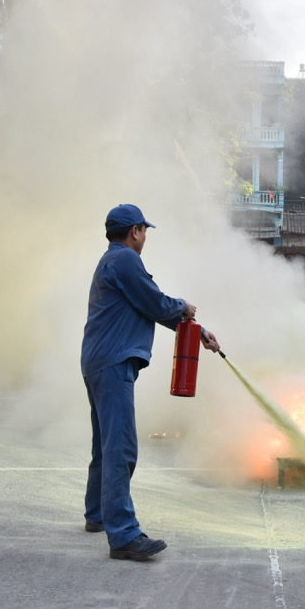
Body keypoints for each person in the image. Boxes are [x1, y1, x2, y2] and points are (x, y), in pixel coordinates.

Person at [81, 203, 220, 561]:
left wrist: (197, 331)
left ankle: (97, 515)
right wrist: (185, 307)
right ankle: (124, 534)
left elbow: (146, 306)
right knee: (121, 448)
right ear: (135, 231)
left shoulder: (110, 261)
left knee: (106, 443)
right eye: (145, 231)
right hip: (112, 363)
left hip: (99, 360)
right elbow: (156, 302)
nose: (145, 238)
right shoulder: (125, 260)